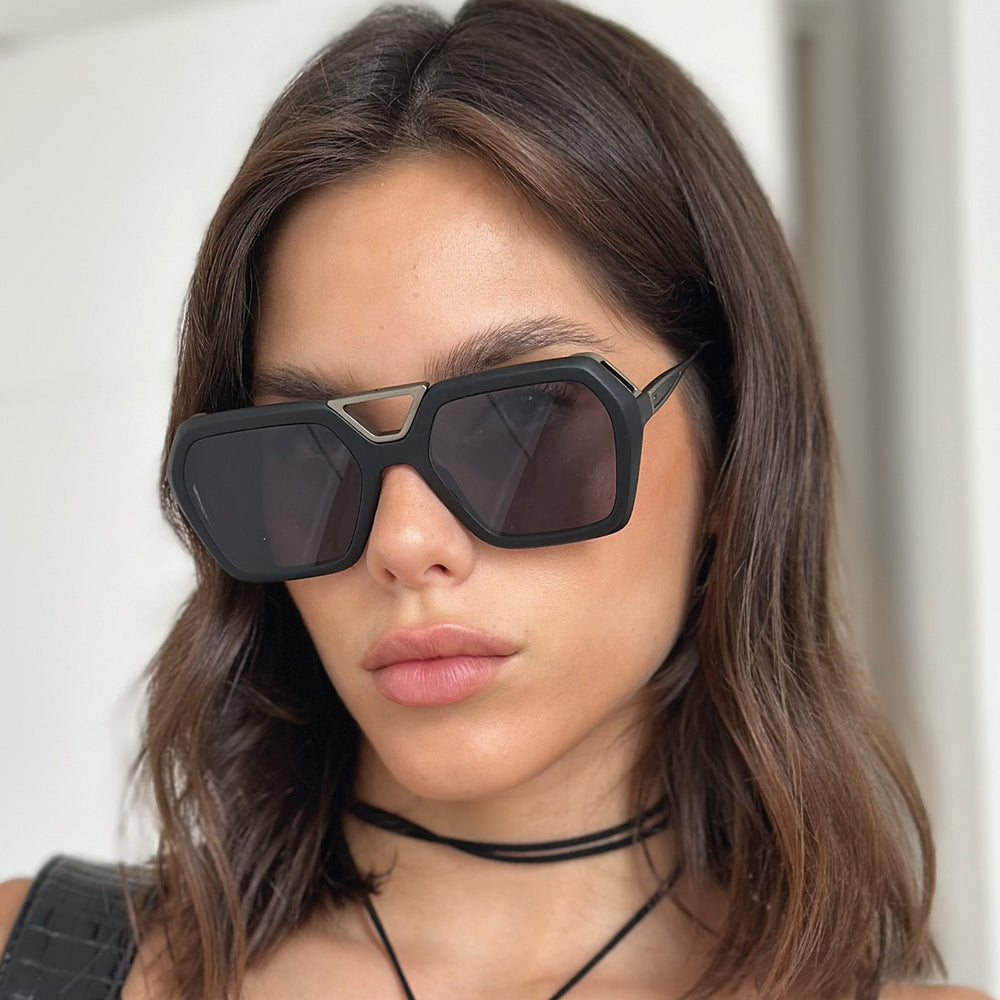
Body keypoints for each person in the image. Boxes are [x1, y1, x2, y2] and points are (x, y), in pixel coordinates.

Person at [0, 1, 990, 999]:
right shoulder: (33, 960)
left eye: (525, 423)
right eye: (306, 450)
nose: (403, 540)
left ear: (732, 446)